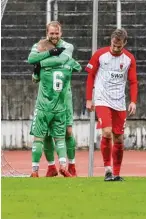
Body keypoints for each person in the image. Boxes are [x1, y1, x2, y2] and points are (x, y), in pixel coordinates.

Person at [85, 28, 138, 181]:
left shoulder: (129, 59)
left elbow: (133, 81)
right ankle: (107, 169)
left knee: (119, 138)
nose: (115, 48)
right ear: (111, 41)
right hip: (102, 99)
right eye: (114, 45)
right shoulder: (100, 55)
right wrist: (89, 99)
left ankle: (116, 173)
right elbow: (90, 76)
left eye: (119, 46)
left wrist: (133, 101)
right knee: (107, 132)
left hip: (119, 101)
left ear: (124, 43)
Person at [28, 21, 75, 177]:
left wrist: (39, 64)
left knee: (68, 132)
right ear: (47, 33)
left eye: (57, 33)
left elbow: (60, 60)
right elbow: (30, 58)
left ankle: (71, 165)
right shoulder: (40, 44)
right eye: (51, 33)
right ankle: (51, 167)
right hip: (49, 96)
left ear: (61, 33)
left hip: (64, 97)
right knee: (47, 134)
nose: (54, 36)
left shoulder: (68, 46)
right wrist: (49, 54)